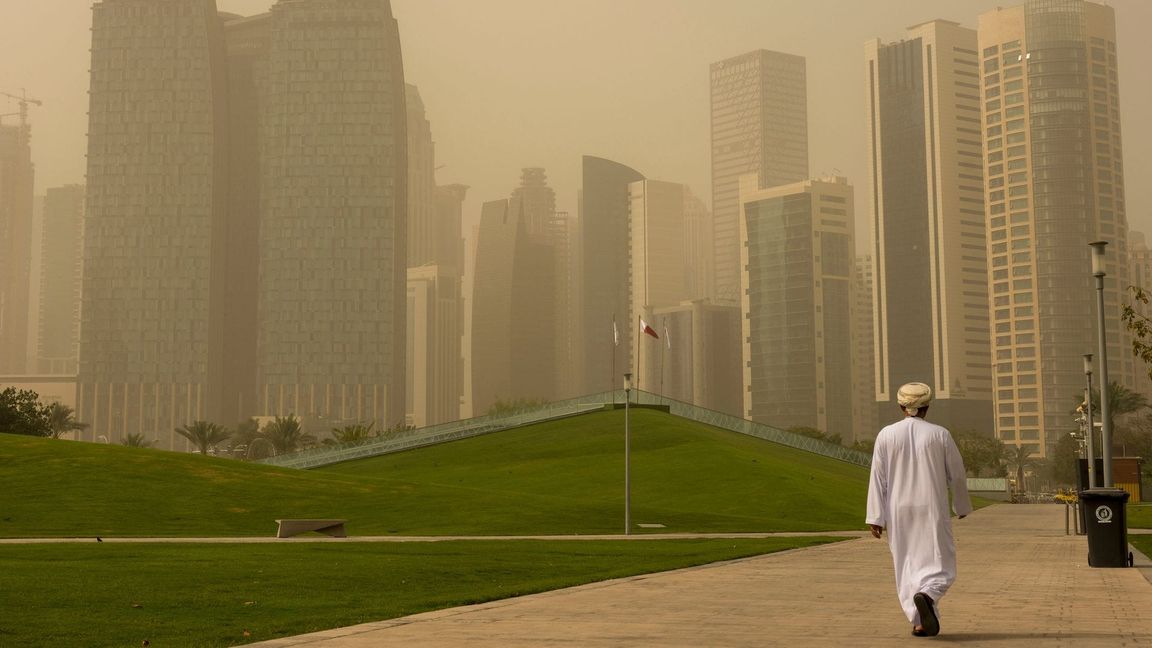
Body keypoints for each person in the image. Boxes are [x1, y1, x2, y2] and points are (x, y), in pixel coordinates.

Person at [866, 382, 971, 637]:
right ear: (927, 407)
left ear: (901, 406)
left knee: (906, 563)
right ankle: (928, 594)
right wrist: (960, 504)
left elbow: (877, 478)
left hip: (898, 510)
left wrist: (876, 517)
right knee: (940, 561)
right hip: (931, 506)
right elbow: (956, 474)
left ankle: (920, 622)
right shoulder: (940, 434)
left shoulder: (886, 434)